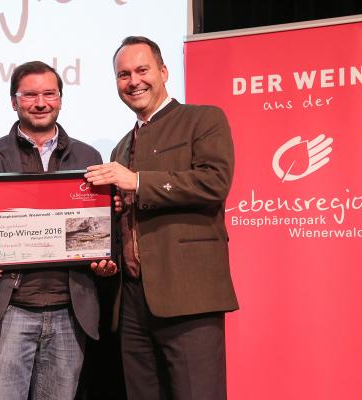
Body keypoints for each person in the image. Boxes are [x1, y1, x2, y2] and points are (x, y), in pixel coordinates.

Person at [85, 36, 239, 399]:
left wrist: (136, 182)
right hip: (134, 300)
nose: (133, 81)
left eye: (142, 70)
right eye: (123, 74)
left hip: (188, 293)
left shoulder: (203, 118)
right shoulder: (121, 145)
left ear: (164, 71)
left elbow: (215, 183)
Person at [0, 60, 115, 400]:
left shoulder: (89, 157)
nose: (40, 102)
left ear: (60, 99)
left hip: (69, 312)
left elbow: (98, 227)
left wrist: (104, 255)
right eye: (29, 95)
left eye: (49, 94)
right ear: (14, 101)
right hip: (10, 309)